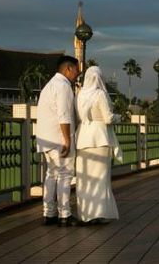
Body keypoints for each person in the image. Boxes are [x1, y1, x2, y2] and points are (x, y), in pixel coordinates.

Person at [35, 55, 80, 226]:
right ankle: (65, 214)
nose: (78, 73)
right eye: (76, 69)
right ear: (68, 68)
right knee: (65, 175)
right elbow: (64, 115)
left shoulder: (49, 86)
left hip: (46, 139)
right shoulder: (63, 86)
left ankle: (49, 212)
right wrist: (67, 140)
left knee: (51, 174)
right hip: (58, 138)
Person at [75, 66, 120, 224]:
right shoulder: (100, 94)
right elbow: (107, 118)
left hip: (82, 138)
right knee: (100, 178)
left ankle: (86, 214)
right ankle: (98, 214)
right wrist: (118, 118)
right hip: (100, 139)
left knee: (84, 178)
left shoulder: (80, 95)